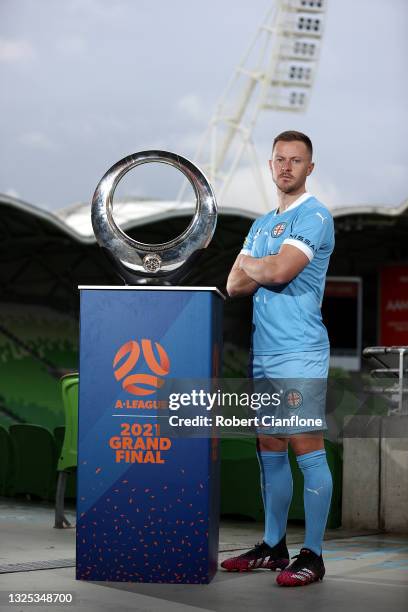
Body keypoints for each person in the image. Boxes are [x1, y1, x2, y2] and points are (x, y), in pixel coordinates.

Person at [222, 130, 335, 587]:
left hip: (300, 351)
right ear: (270, 166)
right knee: (269, 446)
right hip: (264, 351)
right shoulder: (262, 222)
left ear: (310, 168)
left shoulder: (316, 216)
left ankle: (314, 555)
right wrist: (256, 266)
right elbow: (233, 285)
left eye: (296, 160)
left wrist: (255, 264)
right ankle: (273, 546)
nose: (286, 166)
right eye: (279, 159)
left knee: (306, 447)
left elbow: (280, 270)